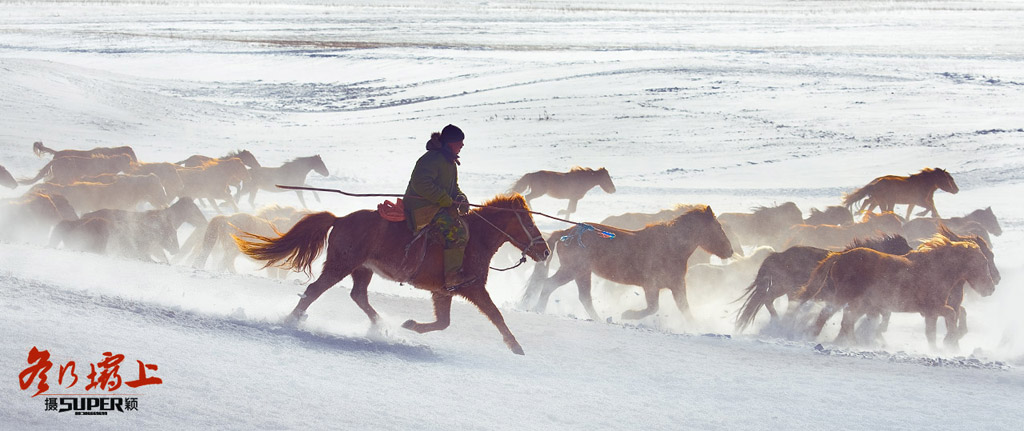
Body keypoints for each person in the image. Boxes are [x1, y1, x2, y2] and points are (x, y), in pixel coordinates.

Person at [404, 124, 473, 289]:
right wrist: (444, 199)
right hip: (421, 208)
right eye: (459, 142)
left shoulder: (449, 162)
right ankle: (452, 277)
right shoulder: (432, 159)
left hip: (436, 206)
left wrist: (460, 198)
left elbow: (453, 187)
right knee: (456, 232)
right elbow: (421, 183)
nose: (462, 145)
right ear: (450, 143)